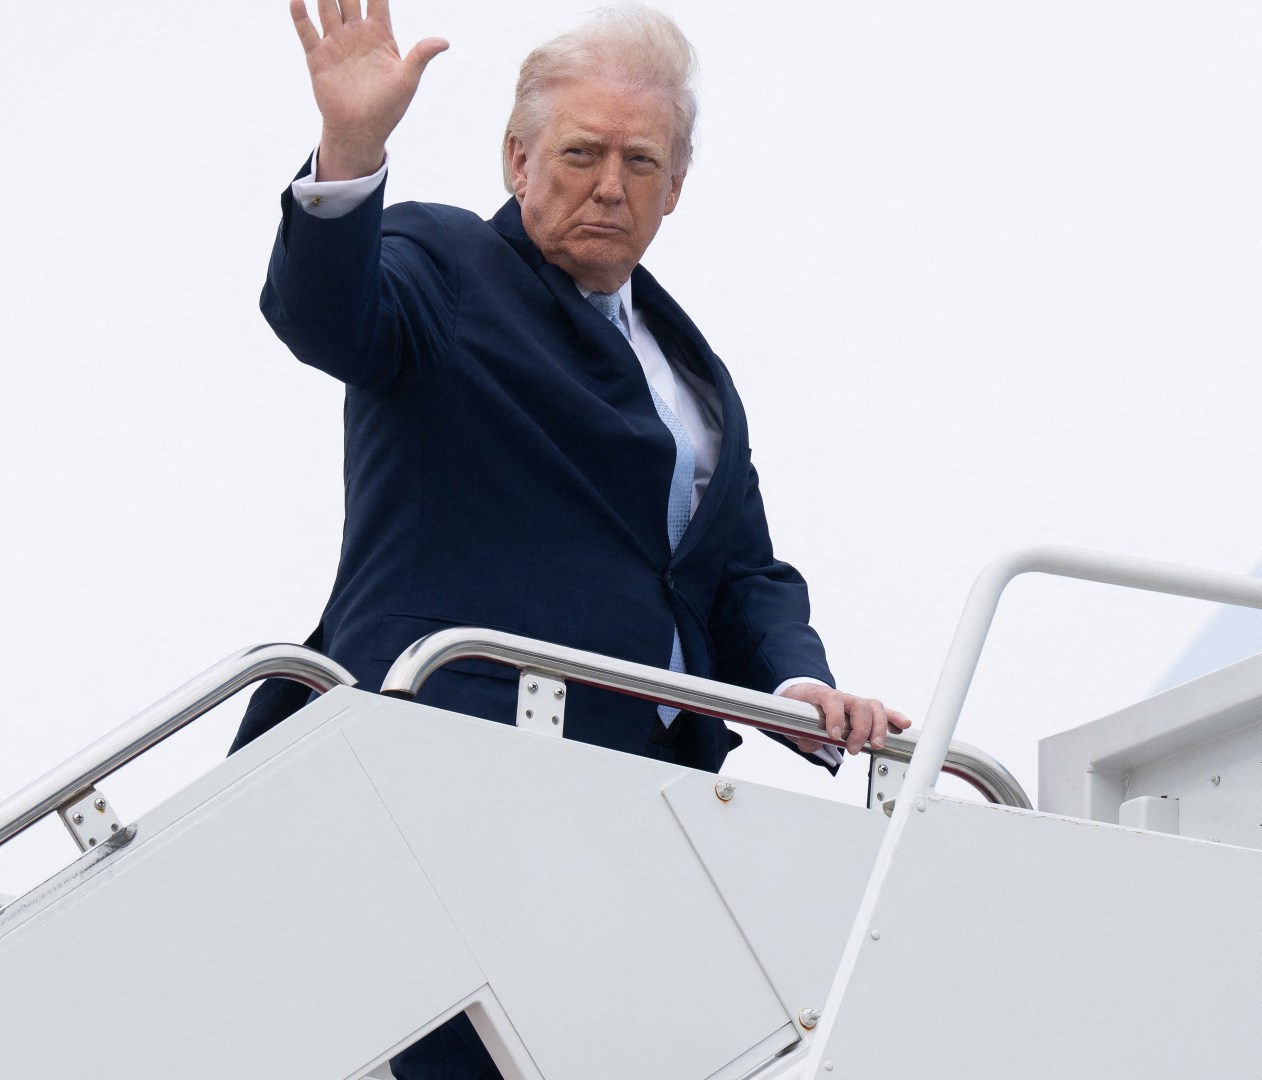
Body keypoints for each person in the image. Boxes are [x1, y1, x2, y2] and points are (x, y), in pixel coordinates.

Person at [234, 2, 907, 1072]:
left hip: (639, 805)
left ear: (676, 187)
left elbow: (735, 568)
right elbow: (326, 315)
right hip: (452, 772)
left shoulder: (689, 368)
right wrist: (352, 150)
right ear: (517, 158)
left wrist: (796, 684)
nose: (609, 186)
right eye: (582, 153)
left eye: (641, 162)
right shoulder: (445, 266)